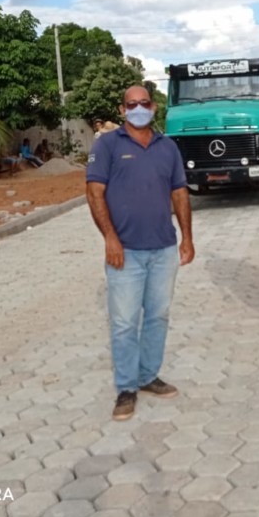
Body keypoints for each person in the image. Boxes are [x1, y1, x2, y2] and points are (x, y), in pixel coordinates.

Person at [86, 86, 195, 421]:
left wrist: (187, 238)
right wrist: (110, 239)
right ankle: (126, 388)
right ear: (122, 110)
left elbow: (179, 193)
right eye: (131, 104)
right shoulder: (107, 145)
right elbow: (94, 193)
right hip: (125, 252)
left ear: (153, 106)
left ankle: (148, 376)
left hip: (163, 248)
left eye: (143, 103)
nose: (137, 109)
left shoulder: (168, 147)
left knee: (158, 316)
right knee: (123, 322)